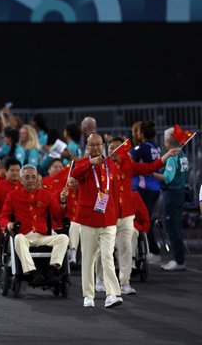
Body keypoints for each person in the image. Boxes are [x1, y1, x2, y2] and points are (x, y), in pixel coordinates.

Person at [106, 137, 180, 293]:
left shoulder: (129, 166)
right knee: (104, 250)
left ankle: (125, 283)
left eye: (117, 147)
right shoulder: (101, 166)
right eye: (111, 147)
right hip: (107, 215)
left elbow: (150, 167)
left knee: (126, 246)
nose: (114, 150)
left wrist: (167, 156)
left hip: (126, 215)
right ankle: (101, 279)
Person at [71, 133, 123, 309]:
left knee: (107, 256)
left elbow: (115, 193)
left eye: (98, 145)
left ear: (103, 146)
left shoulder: (111, 165)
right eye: (91, 145)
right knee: (88, 258)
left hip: (108, 218)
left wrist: (115, 216)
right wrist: (90, 163)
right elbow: (75, 174)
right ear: (86, 146)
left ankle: (112, 294)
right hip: (88, 219)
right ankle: (88, 295)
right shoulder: (82, 164)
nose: (95, 148)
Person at [0, 164, 69, 283]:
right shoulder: (12, 196)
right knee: (18, 238)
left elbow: (58, 214)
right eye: (27, 177)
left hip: (43, 234)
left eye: (33, 177)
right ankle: (32, 272)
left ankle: (51, 270)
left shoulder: (45, 194)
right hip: (25, 235)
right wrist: (8, 224)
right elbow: (3, 216)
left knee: (63, 238)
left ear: (37, 178)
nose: (31, 180)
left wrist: (62, 200)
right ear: (21, 180)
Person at [153, 128, 189, 271]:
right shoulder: (183, 155)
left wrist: (152, 173)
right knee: (176, 226)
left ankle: (178, 260)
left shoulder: (172, 157)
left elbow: (168, 178)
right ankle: (179, 259)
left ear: (168, 141)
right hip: (180, 193)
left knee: (171, 226)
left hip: (172, 194)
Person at [130, 120, 163, 261]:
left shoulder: (142, 148)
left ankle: (153, 251)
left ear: (142, 133)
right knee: (147, 219)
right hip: (156, 188)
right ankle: (148, 250)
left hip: (146, 189)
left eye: (138, 131)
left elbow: (128, 159)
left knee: (144, 220)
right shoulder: (156, 147)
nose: (136, 134)